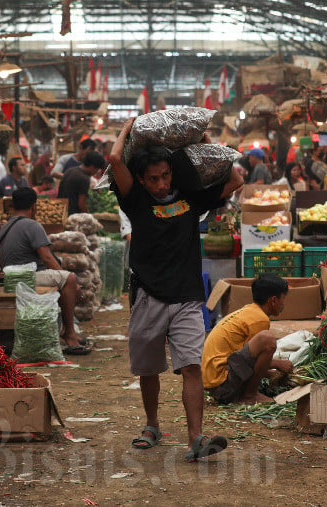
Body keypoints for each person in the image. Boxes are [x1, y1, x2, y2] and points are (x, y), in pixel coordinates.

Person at [109, 117, 244, 462]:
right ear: (141, 178)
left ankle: (196, 438)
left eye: (165, 175)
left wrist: (205, 145)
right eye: (153, 178)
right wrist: (129, 129)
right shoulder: (134, 200)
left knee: (190, 367)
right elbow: (114, 159)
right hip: (148, 293)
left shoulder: (193, 197)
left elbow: (235, 177)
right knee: (148, 368)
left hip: (186, 296)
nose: (160, 183)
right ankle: (152, 425)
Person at [0, 188, 90, 355]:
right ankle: (69, 333)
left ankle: (65, 330)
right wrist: (71, 283)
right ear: (34, 207)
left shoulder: (5, 227)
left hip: (12, 277)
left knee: (62, 277)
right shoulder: (33, 225)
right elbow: (47, 258)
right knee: (69, 278)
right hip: (28, 277)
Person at [202, 275, 294, 404]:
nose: (283, 304)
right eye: (283, 299)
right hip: (223, 386)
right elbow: (252, 360)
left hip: (216, 382)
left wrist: (270, 373)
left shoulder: (249, 311)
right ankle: (249, 396)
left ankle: (248, 393)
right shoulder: (260, 319)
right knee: (267, 339)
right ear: (273, 300)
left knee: (265, 341)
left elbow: (248, 362)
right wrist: (278, 364)